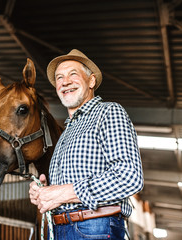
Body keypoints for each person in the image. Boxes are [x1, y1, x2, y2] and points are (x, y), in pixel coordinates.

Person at [29, 49, 144, 240]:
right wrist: (45, 191)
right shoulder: (67, 131)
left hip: (94, 228)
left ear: (91, 81)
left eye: (73, 74)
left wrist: (64, 193)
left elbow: (129, 176)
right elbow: (67, 189)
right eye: (59, 77)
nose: (65, 81)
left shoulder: (109, 112)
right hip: (59, 229)